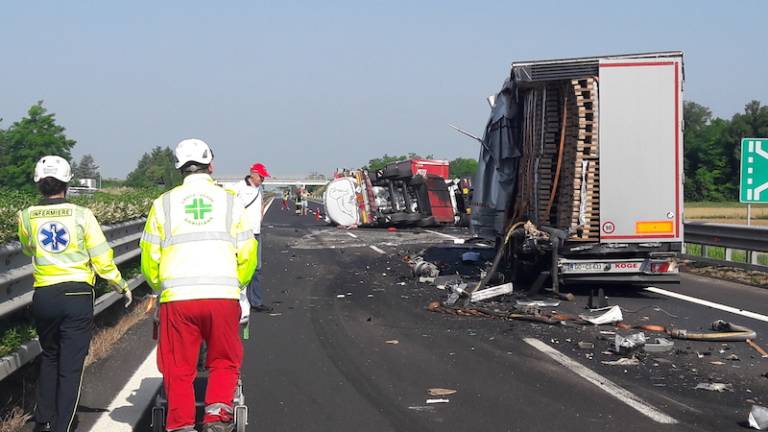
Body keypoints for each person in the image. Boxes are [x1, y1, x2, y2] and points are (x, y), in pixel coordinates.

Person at [140, 139, 257, 432]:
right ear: (211, 166)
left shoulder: (163, 204)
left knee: (178, 367)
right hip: (222, 297)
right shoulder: (231, 202)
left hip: (178, 300)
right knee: (224, 360)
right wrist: (236, 284)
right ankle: (217, 414)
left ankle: (180, 423)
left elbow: (149, 258)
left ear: (179, 168)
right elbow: (248, 253)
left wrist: (161, 287)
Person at [18, 156, 131, 432]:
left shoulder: (26, 216)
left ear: (39, 184)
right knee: (70, 366)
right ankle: (62, 427)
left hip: (44, 295)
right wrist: (121, 285)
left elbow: (28, 249)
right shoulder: (82, 215)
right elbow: (102, 258)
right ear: (67, 183)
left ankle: (43, 420)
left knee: (49, 355)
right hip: (77, 296)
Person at [231, 163, 271, 312]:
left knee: (256, 268)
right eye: (261, 176)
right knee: (238, 267)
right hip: (241, 234)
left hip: (256, 233)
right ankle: (236, 301)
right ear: (253, 174)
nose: (262, 179)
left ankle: (256, 301)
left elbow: (259, 206)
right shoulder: (238, 187)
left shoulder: (258, 190)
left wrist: (260, 216)